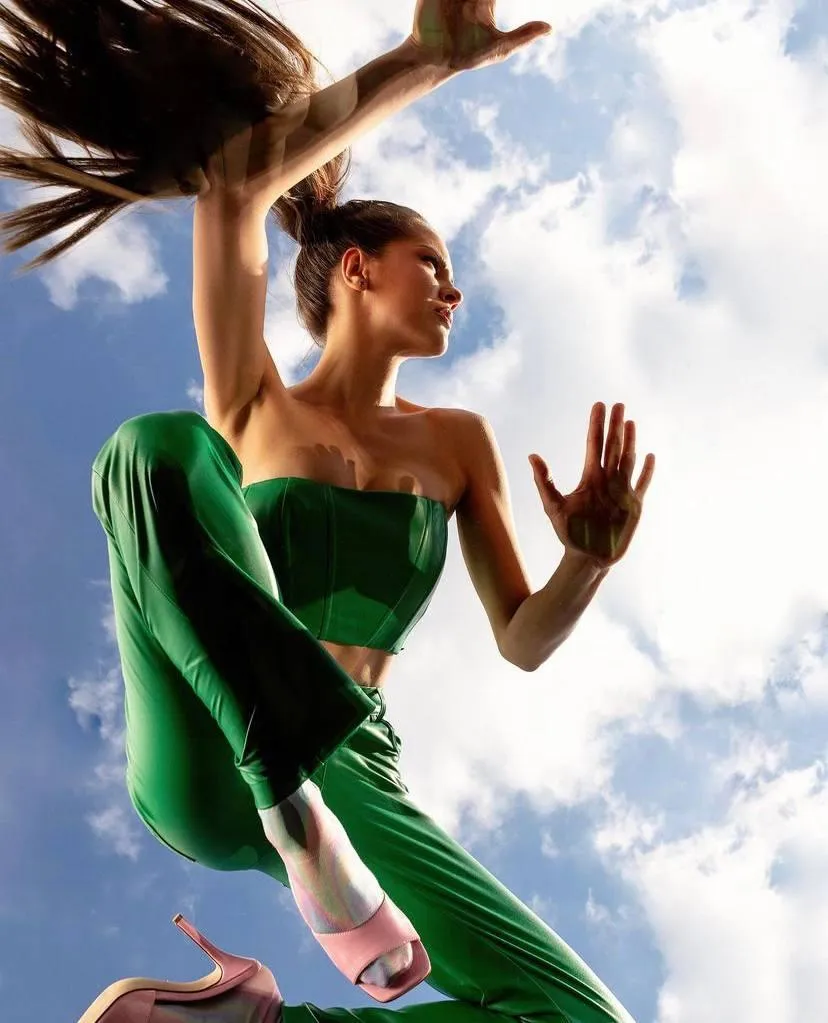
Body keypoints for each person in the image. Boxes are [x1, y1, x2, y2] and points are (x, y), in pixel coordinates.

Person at [0, 2, 656, 1022]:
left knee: (582, 1017)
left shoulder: (456, 445)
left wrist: (589, 561)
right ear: (356, 269)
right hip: (212, 749)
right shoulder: (258, 403)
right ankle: (286, 791)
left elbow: (523, 641)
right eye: (431, 263)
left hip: (350, 770)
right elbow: (232, 193)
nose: (453, 289)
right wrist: (421, 62)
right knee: (155, 450)